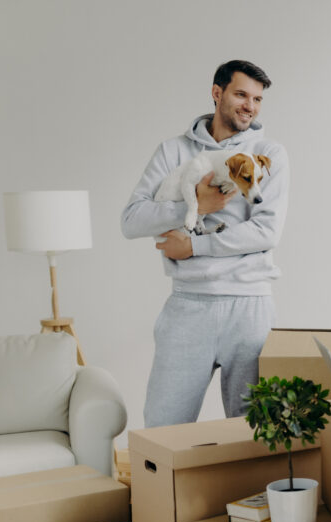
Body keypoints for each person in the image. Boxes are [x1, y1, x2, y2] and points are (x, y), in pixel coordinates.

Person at [121, 59, 289, 428]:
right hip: (188, 305)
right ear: (217, 93)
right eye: (241, 95)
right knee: (163, 429)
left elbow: (266, 232)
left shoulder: (269, 153)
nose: (250, 106)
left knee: (256, 434)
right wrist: (196, 203)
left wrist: (193, 247)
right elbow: (131, 221)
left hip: (250, 307)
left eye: (257, 99)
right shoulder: (173, 151)